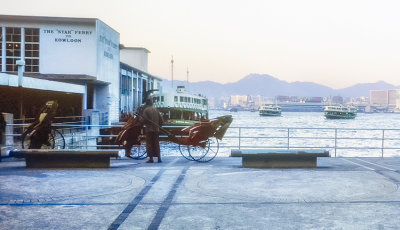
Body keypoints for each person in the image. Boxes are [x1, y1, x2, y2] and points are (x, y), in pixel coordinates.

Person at [141, 98, 163, 163]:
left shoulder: (146, 110)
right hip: (156, 130)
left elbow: (144, 120)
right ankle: (159, 158)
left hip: (149, 130)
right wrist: (158, 126)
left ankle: (151, 159)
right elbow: (161, 121)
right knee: (157, 143)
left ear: (146, 103)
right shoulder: (156, 110)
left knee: (149, 144)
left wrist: (141, 123)